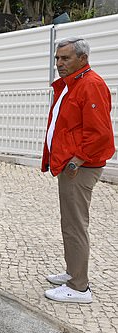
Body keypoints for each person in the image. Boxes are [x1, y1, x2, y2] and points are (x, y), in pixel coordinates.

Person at [41, 38, 115, 304]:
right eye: (57, 59)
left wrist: (75, 162)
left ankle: (79, 287)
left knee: (75, 225)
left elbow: (101, 134)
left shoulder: (90, 85)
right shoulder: (73, 83)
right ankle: (73, 272)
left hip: (79, 168)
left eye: (65, 58)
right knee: (69, 223)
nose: (59, 64)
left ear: (82, 59)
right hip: (70, 165)